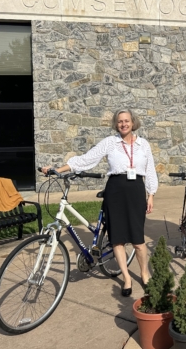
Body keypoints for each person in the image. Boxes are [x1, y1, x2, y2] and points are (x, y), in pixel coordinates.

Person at [41, 109, 158, 297]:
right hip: (115, 191)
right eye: (120, 121)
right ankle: (127, 278)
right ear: (116, 124)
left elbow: (150, 169)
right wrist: (57, 169)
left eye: (127, 121)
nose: (123, 124)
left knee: (138, 240)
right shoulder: (110, 143)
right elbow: (86, 159)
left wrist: (151, 194)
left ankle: (144, 274)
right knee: (117, 238)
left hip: (136, 190)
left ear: (133, 122)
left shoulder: (143, 144)